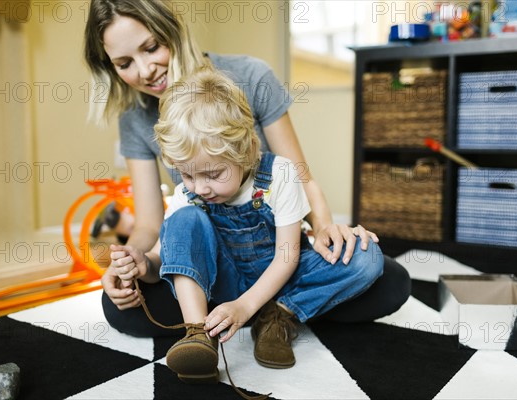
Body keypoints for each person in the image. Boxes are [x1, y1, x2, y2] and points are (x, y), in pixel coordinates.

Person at [83, 0, 411, 338]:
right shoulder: (135, 118)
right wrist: (134, 263)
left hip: (279, 256)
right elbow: (151, 223)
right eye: (124, 63)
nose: (145, 70)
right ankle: (258, 312)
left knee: (389, 280)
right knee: (119, 309)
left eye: (151, 48)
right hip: (214, 268)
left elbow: (300, 175)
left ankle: (269, 307)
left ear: (173, 31)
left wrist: (326, 227)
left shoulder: (250, 76)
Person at [111, 68, 385, 381]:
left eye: (213, 175)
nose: (199, 188)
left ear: (246, 152)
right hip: (225, 282)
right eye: (187, 175)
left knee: (367, 257)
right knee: (184, 218)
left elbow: (288, 257)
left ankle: (279, 314)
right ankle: (199, 333)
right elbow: (166, 259)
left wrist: (245, 308)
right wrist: (142, 264)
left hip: (283, 276)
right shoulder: (187, 195)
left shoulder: (278, 175)